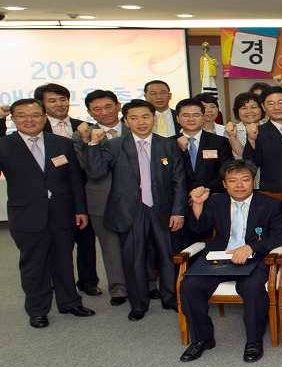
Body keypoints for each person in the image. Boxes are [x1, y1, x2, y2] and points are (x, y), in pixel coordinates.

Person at [85, 99, 187, 321]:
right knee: (134, 259)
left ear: (154, 118)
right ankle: (139, 303)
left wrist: (178, 212)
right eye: (134, 118)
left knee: (168, 256)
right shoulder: (114, 145)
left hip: (162, 209)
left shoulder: (168, 144)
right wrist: (92, 144)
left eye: (145, 117)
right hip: (130, 211)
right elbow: (95, 172)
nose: (141, 122)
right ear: (125, 121)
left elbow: (179, 179)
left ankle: (170, 298)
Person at [178, 160, 282, 363]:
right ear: (224, 183)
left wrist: (250, 247)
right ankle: (202, 339)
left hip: (254, 258)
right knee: (189, 285)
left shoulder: (271, 204)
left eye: (245, 179)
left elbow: (280, 237)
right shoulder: (216, 201)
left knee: (254, 287)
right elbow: (198, 227)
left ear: (254, 181)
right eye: (233, 180)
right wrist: (198, 203)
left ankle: (254, 341)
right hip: (220, 257)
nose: (239, 185)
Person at [0, 98, 93, 328]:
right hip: (27, 215)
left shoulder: (60, 143)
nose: (29, 120)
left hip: (62, 211)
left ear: (44, 117)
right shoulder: (4, 145)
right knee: (34, 264)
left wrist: (80, 210)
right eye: (22, 115)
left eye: (34, 115)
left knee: (63, 260)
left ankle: (70, 302)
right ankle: (38, 310)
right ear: (13, 119)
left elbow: (73, 179)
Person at [34, 83, 99, 297]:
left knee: (87, 240)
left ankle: (88, 281)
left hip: (83, 190)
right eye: (52, 100)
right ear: (42, 105)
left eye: (63, 99)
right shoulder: (36, 128)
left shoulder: (85, 125)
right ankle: (60, 284)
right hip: (52, 195)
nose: (59, 104)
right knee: (59, 244)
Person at [76, 90, 128, 305]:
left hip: (135, 196)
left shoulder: (134, 125)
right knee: (110, 246)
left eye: (108, 106)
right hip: (101, 197)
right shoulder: (81, 134)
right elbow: (85, 167)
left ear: (118, 105)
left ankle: (148, 285)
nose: (104, 112)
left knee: (141, 241)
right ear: (89, 112)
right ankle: (118, 290)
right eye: (96, 109)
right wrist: (89, 141)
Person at [173, 98, 232, 254]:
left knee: (213, 248)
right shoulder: (168, 144)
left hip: (212, 202)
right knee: (182, 251)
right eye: (186, 115)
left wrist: (203, 191)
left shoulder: (219, 142)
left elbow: (226, 173)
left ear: (203, 116)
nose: (191, 119)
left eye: (196, 115)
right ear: (178, 118)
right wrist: (180, 151)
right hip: (180, 205)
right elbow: (168, 176)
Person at [242, 86, 282, 214]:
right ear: (263, 107)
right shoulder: (258, 132)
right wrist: (251, 140)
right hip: (276, 195)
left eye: (281, 102)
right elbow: (250, 164)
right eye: (270, 103)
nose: (277, 107)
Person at [225, 92, 263, 188]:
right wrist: (233, 137)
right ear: (237, 111)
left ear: (262, 108)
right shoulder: (231, 130)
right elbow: (241, 159)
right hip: (243, 184)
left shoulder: (269, 128)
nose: (249, 111)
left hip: (270, 181)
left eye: (254, 107)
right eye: (244, 108)